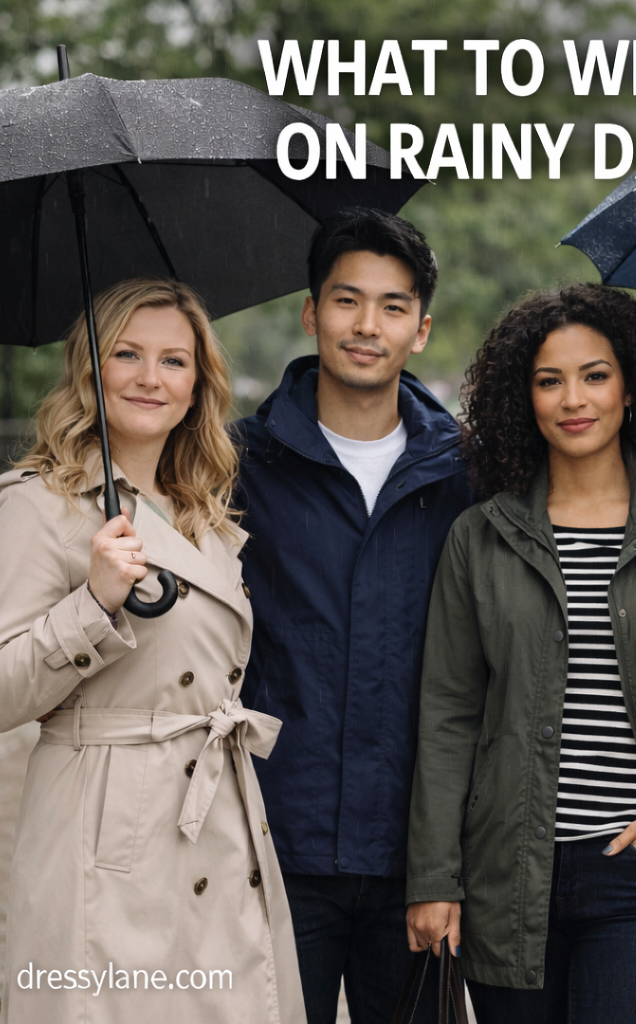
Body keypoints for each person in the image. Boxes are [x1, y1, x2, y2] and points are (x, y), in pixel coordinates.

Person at [405, 283, 636, 1024]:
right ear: (522, 398)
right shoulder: (480, 536)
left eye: (595, 375)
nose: (573, 399)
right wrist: (434, 879)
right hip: (505, 873)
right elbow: (448, 716)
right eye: (548, 380)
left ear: (632, 386)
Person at [0, 278, 305, 1023]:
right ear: (89, 369)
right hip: (105, 838)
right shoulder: (38, 504)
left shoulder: (204, 511)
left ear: (198, 385)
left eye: (173, 360)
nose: (149, 378)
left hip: (217, 822)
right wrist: (93, 603)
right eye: (126, 354)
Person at [234, 209, 474, 1024]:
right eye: (347, 300)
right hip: (273, 848)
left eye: (392, 306)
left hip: (419, 861)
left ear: (421, 329)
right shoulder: (237, 464)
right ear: (312, 313)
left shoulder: (466, 475)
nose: (367, 325)